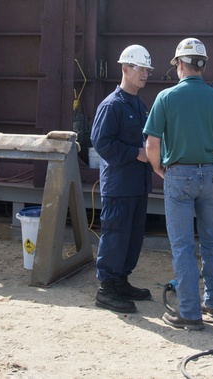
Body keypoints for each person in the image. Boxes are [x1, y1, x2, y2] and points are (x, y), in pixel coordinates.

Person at [144, 38, 213, 330]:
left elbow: (151, 143)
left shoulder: (166, 98)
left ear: (180, 65)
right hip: (211, 176)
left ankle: (189, 313)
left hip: (178, 175)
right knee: (212, 241)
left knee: (183, 245)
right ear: (203, 66)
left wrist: (159, 168)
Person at [89, 45, 155, 314]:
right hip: (119, 185)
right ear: (125, 69)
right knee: (116, 235)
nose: (145, 74)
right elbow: (101, 142)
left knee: (132, 236)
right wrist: (136, 154)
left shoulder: (137, 104)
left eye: (147, 70)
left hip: (137, 185)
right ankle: (107, 289)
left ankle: (121, 281)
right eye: (140, 68)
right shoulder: (112, 105)